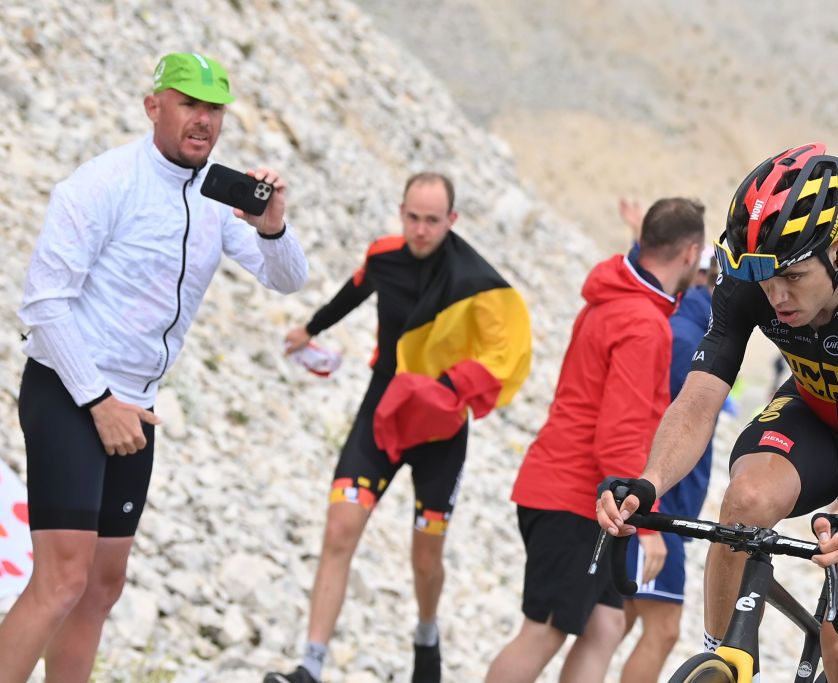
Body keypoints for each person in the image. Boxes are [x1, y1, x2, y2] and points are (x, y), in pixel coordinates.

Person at [598, 142, 838, 682]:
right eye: (766, 281)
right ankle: (721, 662)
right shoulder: (750, 277)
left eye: (792, 277)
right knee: (745, 501)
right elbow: (699, 400)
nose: (776, 296)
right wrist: (650, 481)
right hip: (815, 412)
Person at [0, 52, 308, 683]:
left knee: (101, 589)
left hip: (137, 406)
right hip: (70, 389)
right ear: (153, 106)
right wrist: (97, 401)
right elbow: (42, 304)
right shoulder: (102, 183)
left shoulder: (220, 195)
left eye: (214, 108)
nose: (203, 121)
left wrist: (274, 228)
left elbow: (288, 280)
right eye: (189, 104)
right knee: (61, 581)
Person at [265, 172, 532, 683]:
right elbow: (355, 291)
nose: (420, 229)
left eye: (432, 220)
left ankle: (426, 632)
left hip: (440, 431)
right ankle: (311, 665)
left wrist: (455, 387)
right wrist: (310, 329)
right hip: (382, 413)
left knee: (425, 557)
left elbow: (508, 349)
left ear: (452, 221)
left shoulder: (475, 281)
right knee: (339, 528)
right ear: (401, 211)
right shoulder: (384, 255)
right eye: (412, 217)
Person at [485, 197, 706, 683]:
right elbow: (620, 435)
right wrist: (646, 525)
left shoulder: (618, 298)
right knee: (542, 631)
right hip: (577, 498)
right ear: (690, 253)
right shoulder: (643, 323)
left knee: (605, 625)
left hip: (572, 492)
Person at [616, 199, 716, 683]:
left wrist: (638, 233)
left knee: (622, 618)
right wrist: (652, 523)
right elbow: (653, 420)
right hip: (661, 504)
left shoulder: (686, 321)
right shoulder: (688, 337)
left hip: (661, 504)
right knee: (662, 628)